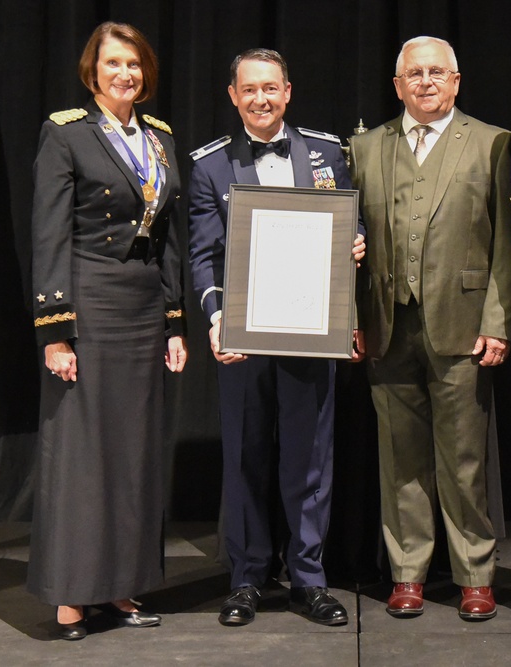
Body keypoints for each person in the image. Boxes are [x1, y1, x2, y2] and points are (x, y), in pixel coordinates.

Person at [188, 48, 365, 627]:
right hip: (242, 336)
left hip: (311, 333)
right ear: (233, 96)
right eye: (250, 90)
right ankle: (246, 578)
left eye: (271, 88)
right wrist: (217, 321)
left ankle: (309, 578)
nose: (261, 99)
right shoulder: (211, 165)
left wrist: (356, 240)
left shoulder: (327, 152)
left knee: (310, 461)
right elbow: (202, 255)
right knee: (245, 458)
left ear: (288, 92)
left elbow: (352, 221)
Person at [349, 36, 511, 621]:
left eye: (436, 73)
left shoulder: (494, 143)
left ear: (456, 80)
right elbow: (348, 244)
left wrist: (498, 322)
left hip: (464, 326)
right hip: (386, 326)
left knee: (464, 460)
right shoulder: (365, 147)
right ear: (397, 85)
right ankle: (408, 574)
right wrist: (352, 319)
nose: (425, 82)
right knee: (400, 460)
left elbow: (506, 245)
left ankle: (475, 574)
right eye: (414, 74)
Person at [27, 21, 187, 641]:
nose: (126, 74)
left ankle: (121, 585)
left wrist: (175, 322)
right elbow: (49, 233)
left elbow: (169, 239)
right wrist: (55, 331)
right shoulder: (66, 133)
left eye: (135, 65)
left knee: (133, 454)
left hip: (145, 308)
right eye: (114, 63)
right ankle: (71, 595)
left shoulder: (161, 139)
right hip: (89, 304)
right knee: (80, 454)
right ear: (93, 71)